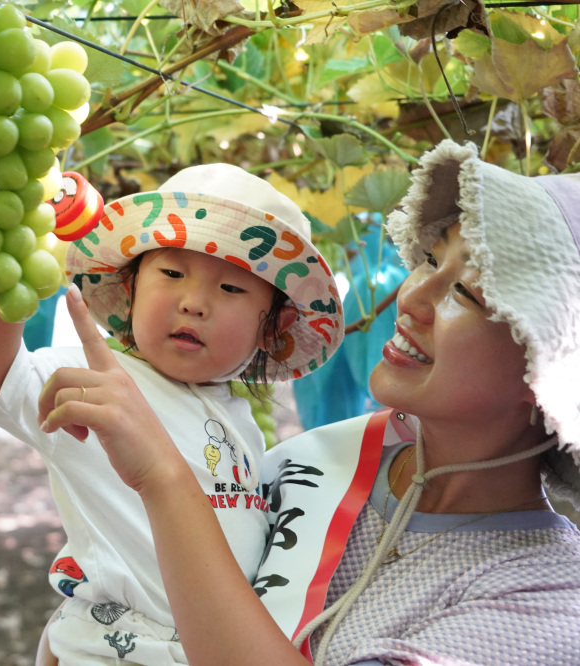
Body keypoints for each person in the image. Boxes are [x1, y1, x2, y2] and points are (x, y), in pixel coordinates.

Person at [37, 139, 580, 665]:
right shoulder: (321, 462)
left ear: (552, 370)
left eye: (465, 292)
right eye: (430, 260)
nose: (410, 297)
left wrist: (164, 477)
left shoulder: (544, 598)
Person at [0, 163, 344, 664]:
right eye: (173, 273)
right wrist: (19, 267)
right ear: (130, 287)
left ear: (273, 325)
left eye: (231, 289)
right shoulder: (98, 379)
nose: (194, 303)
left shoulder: (240, 423)